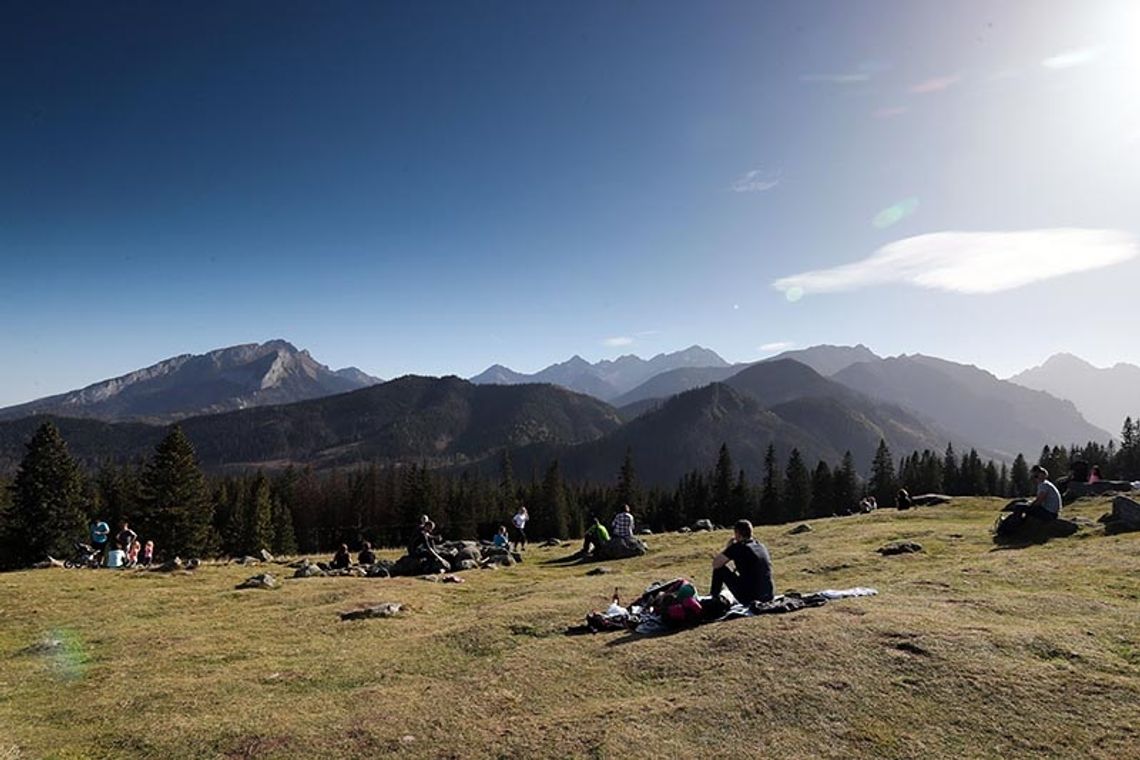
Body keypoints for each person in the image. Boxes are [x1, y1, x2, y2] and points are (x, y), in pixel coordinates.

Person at [709, 519, 775, 605]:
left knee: (720, 570)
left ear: (737, 533)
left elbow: (716, 564)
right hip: (768, 594)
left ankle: (714, 598)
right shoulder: (760, 545)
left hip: (751, 597)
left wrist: (728, 549)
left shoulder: (738, 547)